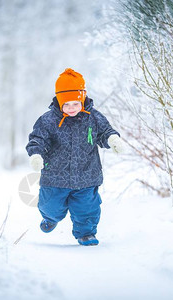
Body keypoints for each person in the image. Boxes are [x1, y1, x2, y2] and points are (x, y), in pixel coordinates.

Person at [26, 68, 124, 246]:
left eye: (75, 104)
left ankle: (86, 233)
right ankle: (50, 217)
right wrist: (36, 155)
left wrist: (112, 139)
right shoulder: (48, 120)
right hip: (55, 177)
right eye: (67, 104)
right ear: (59, 102)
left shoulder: (93, 117)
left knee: (87, 208)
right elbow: (38, 139)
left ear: (82, 99)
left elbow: (104, 132)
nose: (72, 108)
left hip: (87, 175)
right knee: (51, 206)